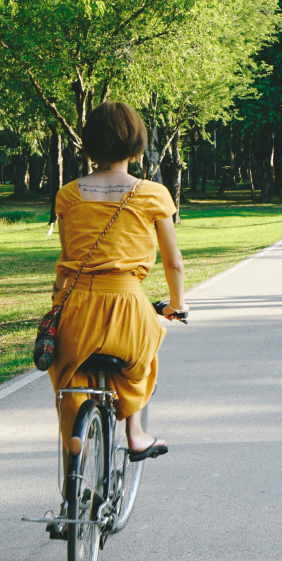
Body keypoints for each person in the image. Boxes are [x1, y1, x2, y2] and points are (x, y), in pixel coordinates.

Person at [48, 101, 188, 461]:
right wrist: (177, 304)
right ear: (136, 142)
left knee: (72, 375)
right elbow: (173, 264)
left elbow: (65, 266)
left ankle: (75, 446)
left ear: (90, 144)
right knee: (145, 353)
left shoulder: (67, 195)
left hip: (76, 307)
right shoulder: (153, 194)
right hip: (128, 307)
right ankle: (136, 433)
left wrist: (57, 310)